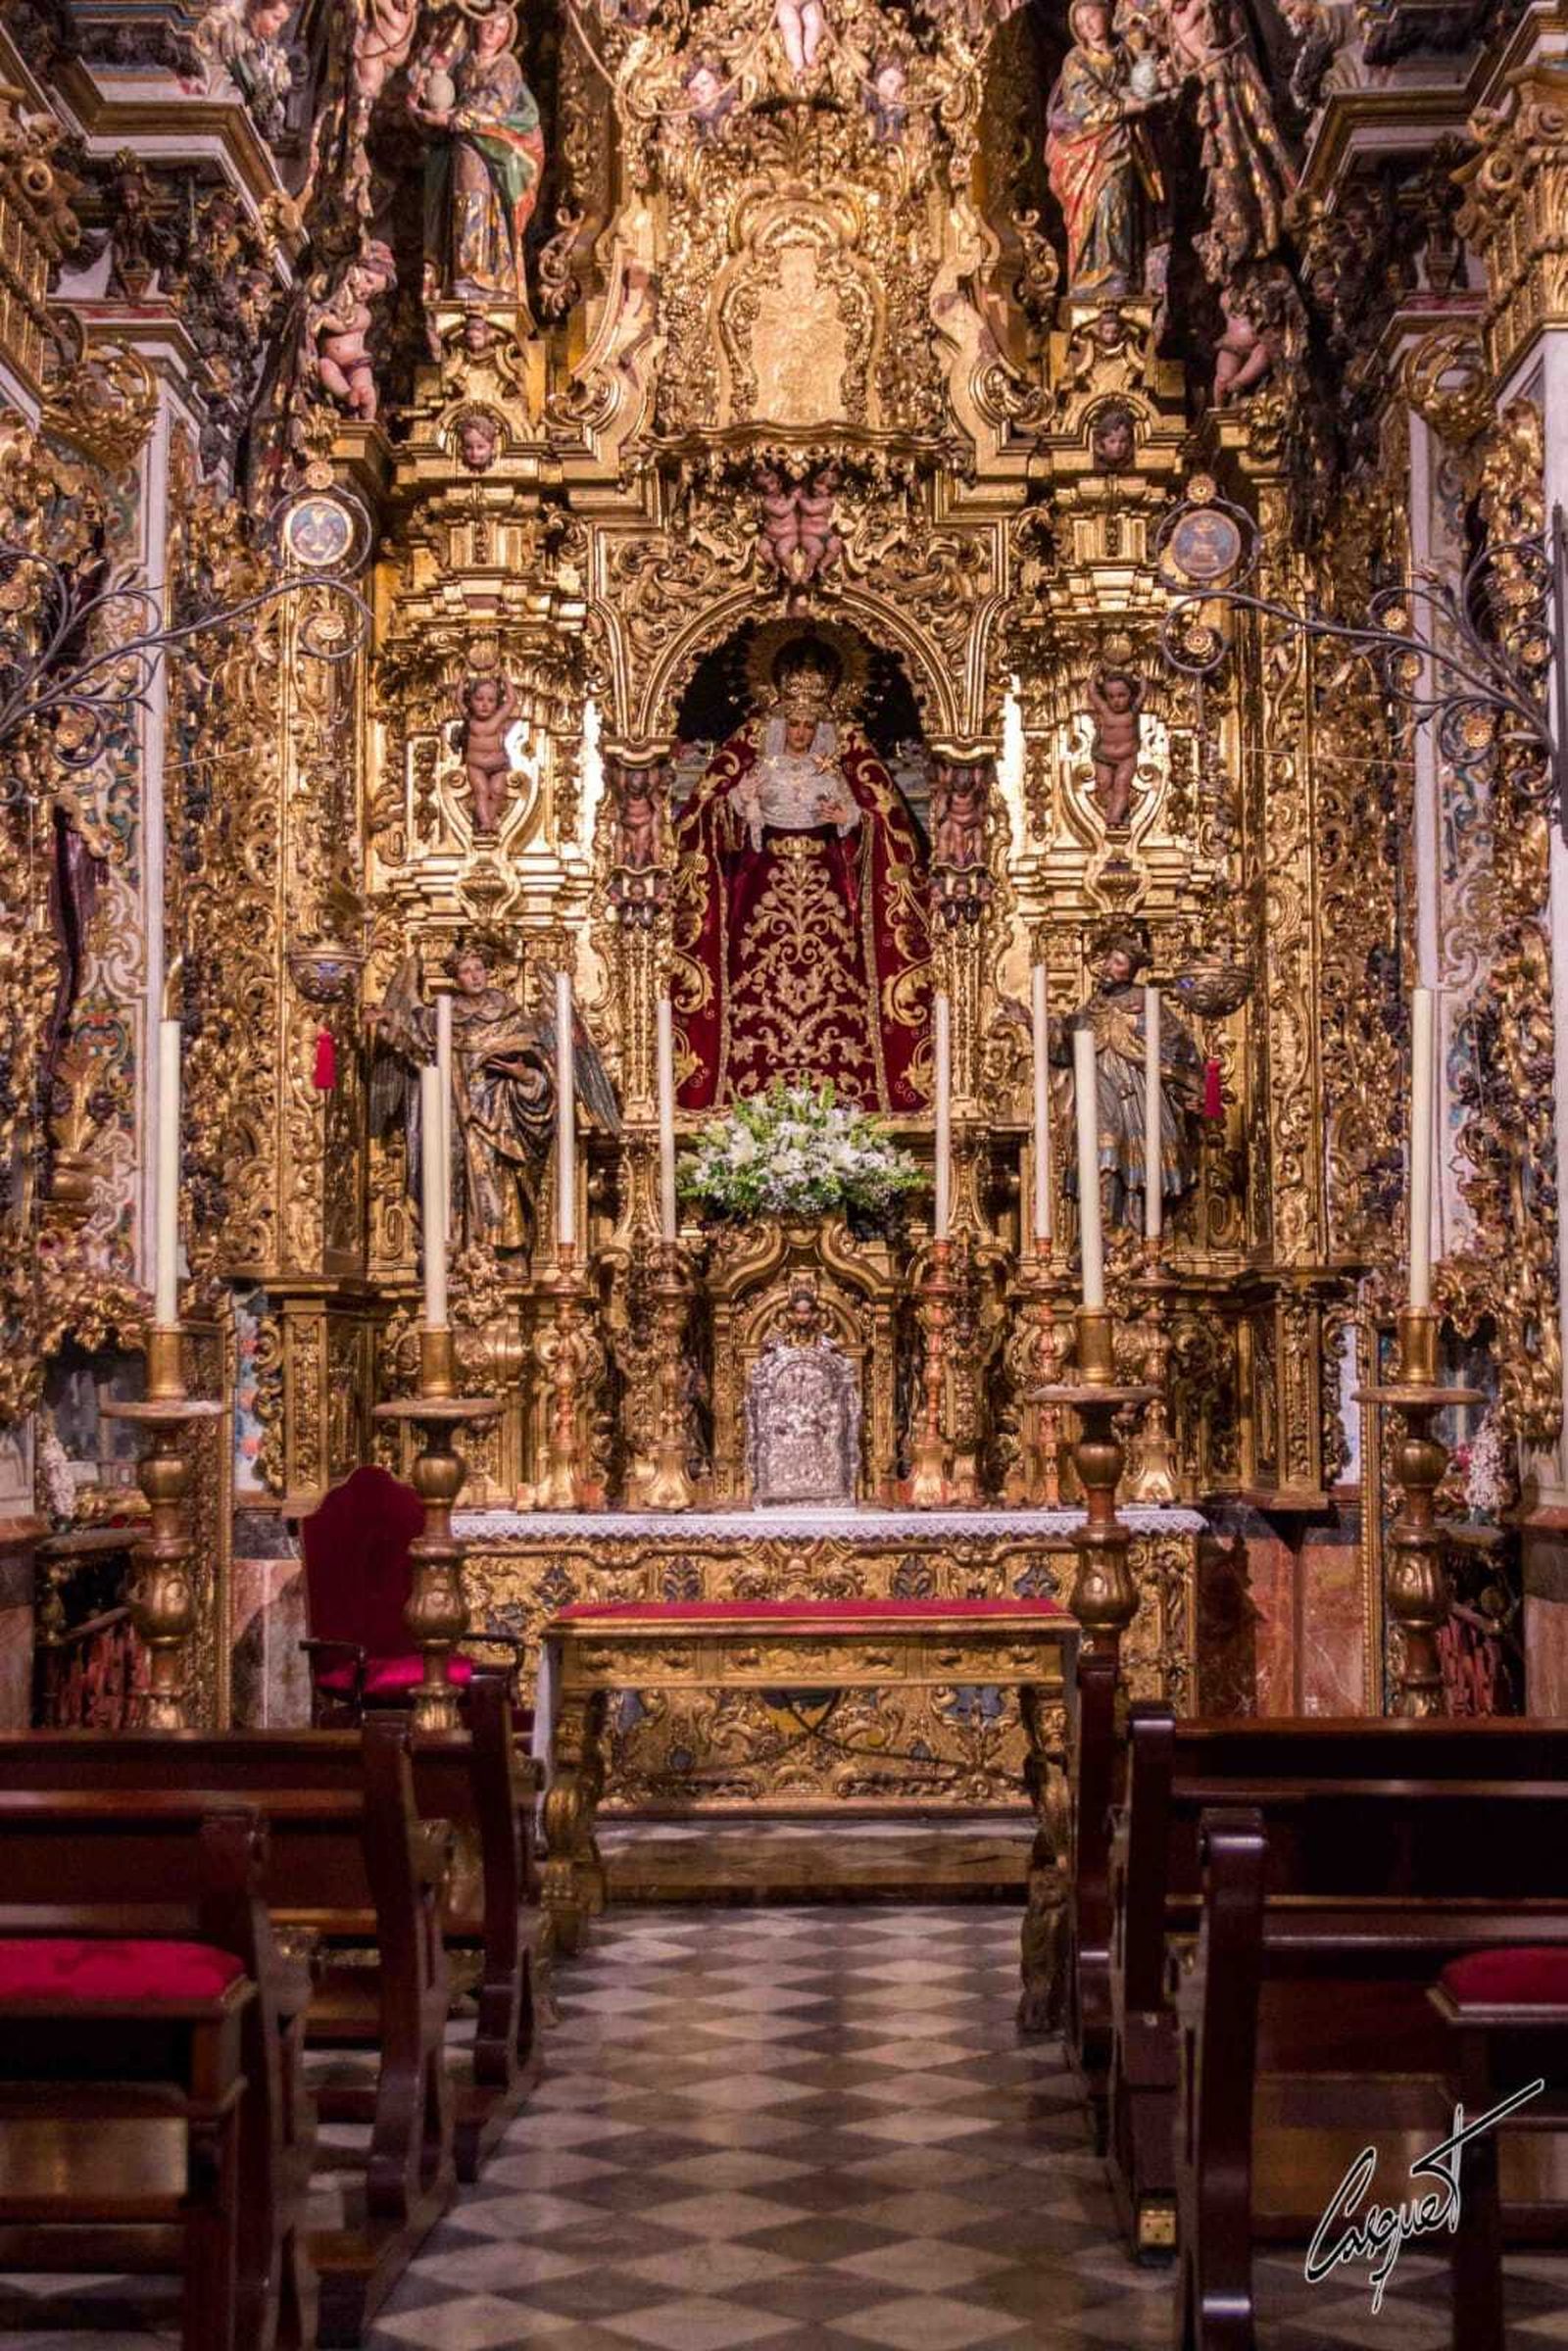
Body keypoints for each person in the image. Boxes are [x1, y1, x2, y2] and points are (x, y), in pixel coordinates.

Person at [671, 642, 932, 1111]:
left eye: (810, 725)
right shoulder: (756, 762)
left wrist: (850, 819)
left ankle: (844, 1083)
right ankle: (746, 1088)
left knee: (836, 984)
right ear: (779, 723)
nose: (801, 733)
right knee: (755, 978)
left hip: (826, 885)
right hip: (762, 883)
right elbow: (706, 822)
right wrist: (740, 805)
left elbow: (883, 822)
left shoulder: (834, 766)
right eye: (794, 723)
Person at [368, 945, 619, 1254]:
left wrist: (523, 1075)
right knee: (448, 1180)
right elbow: (411, 1046)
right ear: (456, 978)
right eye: (465, 971)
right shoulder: (438, 1019)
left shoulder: (514, 1019)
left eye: (478, 968)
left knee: (496, 1183)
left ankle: (501, 1252)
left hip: (500, 1118)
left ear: (488, 971)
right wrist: (387, 1021)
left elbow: (547, 1080)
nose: (474, 975)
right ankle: (456, 1252)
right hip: (451, 1115)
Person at [1052, 936, 1201, 1231]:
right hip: (1100, 1089)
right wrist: (1035, 1024)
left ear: (1131, 970)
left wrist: (1188, 1089)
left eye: (1118, 962)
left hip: (1140, 1092)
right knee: (1103, 1153)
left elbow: (1177, 1046)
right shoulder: (1094, 1006)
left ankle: (1141, 1233)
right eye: (1108, 960)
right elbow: (1064, 1045)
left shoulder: (1147, 1001)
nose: (1108, 967)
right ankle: (1105, 1230)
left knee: (1141, 1161)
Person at [412, 6, 545, 308]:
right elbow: (443, 103)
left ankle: (479, 274)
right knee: (461, 202)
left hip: (493, 149)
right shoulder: (462, 66)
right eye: (488, 25)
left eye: (499, 29)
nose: (491, 32)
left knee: (481, 204)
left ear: (506, 37)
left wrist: (448, 119)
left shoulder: (506, 65)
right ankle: (462, 270)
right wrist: (423, 110)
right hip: (462, 145)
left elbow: (493, 107)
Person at [1046, 0, 1164, 297]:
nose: (1088, 26)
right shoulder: (1076, 59)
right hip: (1087, 147)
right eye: (1081, 23)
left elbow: (1143, 80)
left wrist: (1150, 85)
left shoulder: (1125, 51)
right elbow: (1082, 102)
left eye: (1092, 17)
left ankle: (1118, 269)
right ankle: (1092, 273)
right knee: (1096, 204)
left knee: (1120, 202)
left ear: (1107, 14)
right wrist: (1125, 106)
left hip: (1122, 143)